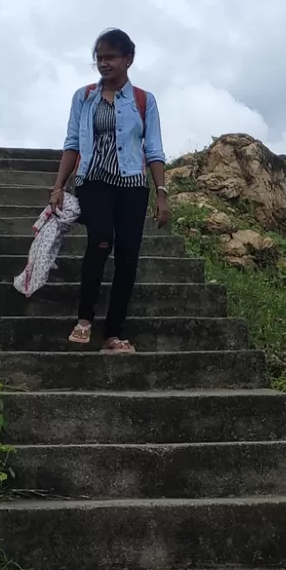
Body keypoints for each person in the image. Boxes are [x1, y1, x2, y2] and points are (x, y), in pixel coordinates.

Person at [48, 29, 169, 353]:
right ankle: (84, 319)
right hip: (94, 180)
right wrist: (58, 186)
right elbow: (72, 143)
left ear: (128, 59)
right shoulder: (84, 97)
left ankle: (113, 334)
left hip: (132, 185)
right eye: (99, 58)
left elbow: (154, 148)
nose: (104, 63)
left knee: (128, 260)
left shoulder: (144, 101)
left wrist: (161, 192)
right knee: (101, 240)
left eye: (110, 57)